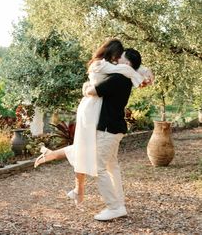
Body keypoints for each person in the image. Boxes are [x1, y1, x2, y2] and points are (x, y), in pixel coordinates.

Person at [34, 40, 152, 207]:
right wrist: (141, 74)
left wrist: (142, 72)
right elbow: (125, 69)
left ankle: (82, 190)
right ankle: (86, 192)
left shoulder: (115, 69)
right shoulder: (107, 67)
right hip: (92, 108)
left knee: (86, 149)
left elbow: (126, 70)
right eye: (118, 56)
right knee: (85, 147)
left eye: (121, 57)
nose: (118, 60)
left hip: (95, 108)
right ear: (112, 54)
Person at [85, 48, 143, 221]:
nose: (117, 60)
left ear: (127, 63)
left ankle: (114, 207)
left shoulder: (118, 78)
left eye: (121, 58)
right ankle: (119, 203)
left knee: (100, 167)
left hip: (108, 129)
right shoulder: (126, 77)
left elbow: (91, 91)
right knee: (112, 167)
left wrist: (86, 86)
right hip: (115, 128)